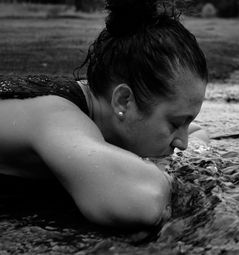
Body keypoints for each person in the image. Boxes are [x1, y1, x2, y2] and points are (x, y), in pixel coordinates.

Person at [0, 0, 208, 229]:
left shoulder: (94, 105)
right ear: (123, 101)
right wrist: (167, 173)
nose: (183, 142)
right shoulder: (55, 118)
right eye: (175, 123)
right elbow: (140, 201)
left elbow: (201, 134)